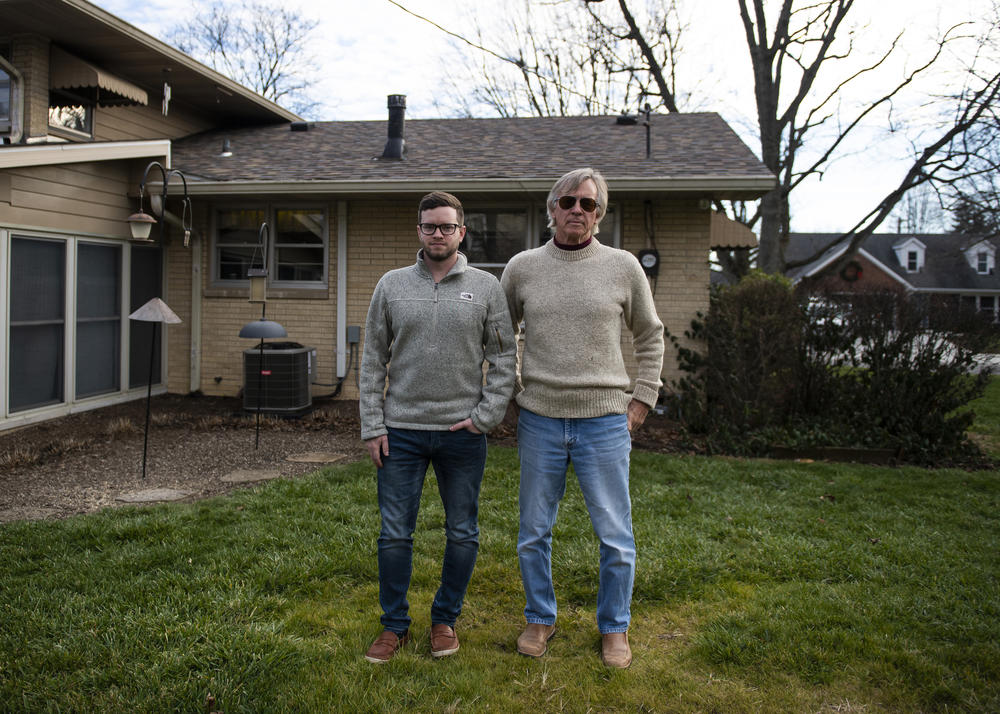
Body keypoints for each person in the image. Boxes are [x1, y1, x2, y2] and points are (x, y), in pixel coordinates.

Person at [499, 168, 665, 669]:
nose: (577, 210)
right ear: (551, 209)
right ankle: (539, 617)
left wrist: (642, 398)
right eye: (568, 201)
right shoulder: (522, 268)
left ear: (600, 213)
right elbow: (500, 337)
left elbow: (650, 335)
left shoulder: (623, 267)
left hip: (605, 422)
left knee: (615, 533)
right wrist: (509, 391)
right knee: (533, 530)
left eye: (588, 204)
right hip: (541, 419)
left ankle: (614, 628)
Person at [359, 190, 517, 664]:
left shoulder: (487, 287)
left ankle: (445, 619)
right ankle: (394, 625)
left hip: (462, 434)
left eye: (447, 226)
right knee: (394, 535)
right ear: (420, 230)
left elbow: (505, 356)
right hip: (401, 431)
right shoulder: (391, 285)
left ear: (461, 232)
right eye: (429, 226)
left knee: (463, 532)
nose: (438, 234)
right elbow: (371, 360)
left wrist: (486, 416)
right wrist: (373, 425)